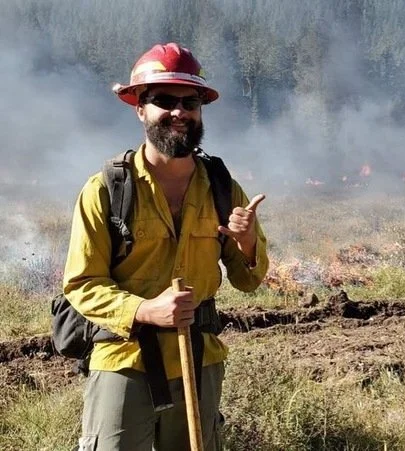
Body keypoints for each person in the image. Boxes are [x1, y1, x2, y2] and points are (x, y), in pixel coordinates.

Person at [63, 42, 268, 450]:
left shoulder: (223, 189)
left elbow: (249, 281)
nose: (179, 112)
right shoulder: (106, 190)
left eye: (190, 102)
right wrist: (144, 310)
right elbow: (81, 283)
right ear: (140, 108)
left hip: (200, 360)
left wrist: (247, 244)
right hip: (124, 359)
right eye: (164, 101)